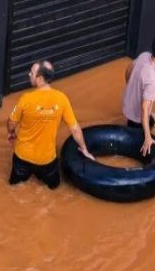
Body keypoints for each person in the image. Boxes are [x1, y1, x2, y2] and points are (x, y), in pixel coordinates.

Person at [7, 61, 94, 189]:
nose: (29, 75)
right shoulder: (62, 99)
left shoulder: (25, 99)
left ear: (40, 79)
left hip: (22, 158)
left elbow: (11, 123)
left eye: (32, 73)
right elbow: (75, 128)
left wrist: (11, 132)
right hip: (46, 161)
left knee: (13, 188)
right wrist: (84, 149)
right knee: (54, 188)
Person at [122, 37, 155, 156]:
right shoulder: (152, 79)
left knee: (152, 122)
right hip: (137, 117)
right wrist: (148, 137)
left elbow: (128, 69)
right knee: (141, 146)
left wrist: (130, 88)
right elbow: (144, 109)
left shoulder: (144, 56)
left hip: (127, 105)